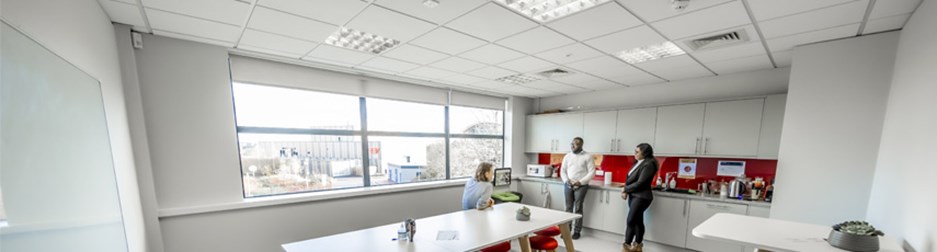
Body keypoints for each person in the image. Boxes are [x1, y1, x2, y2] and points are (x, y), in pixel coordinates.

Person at [620, 143, 659, 252]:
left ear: (645, 153)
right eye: (635, 151)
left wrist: (625, 189)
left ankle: (626, 246)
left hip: (642, 197)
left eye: (637, 152)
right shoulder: (638, 162)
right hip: (634, 196)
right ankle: (637, 246)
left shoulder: (649, 164)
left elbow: (641, 183)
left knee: (631, 220)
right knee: (637, 221)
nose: (634, 153)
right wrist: (626, 190)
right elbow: (630, 179)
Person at [560, 137, 595, 240]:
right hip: (568, 184)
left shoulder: (587, 156)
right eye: (572, 144)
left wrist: (581, 182)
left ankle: (577, 231)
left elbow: (592, 172)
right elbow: (563, 171)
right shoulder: (567, 156)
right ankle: (567, 230)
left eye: (576, 144)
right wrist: (566, 181)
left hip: (581, 185)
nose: (573, 146)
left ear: (581, 145)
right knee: (568, 208)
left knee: (578, 208)